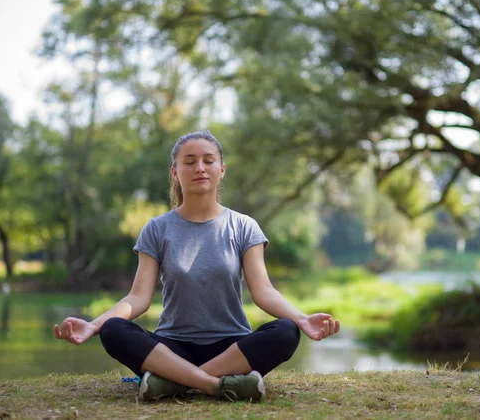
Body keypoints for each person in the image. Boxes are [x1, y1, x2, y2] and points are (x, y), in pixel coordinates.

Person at [53, 131, 340, 402]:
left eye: (208, 160)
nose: (199, 168)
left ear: (222, 169)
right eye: (189, 162)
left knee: (286, 332)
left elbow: (263, 291)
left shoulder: (243, 226)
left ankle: (173, 381)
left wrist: (302, 319)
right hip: (171, 347)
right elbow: (137, 298)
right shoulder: (157, 229)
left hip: (232, 349)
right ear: (175, 173)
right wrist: (93, 325)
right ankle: (215, 384)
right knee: (115, 330)